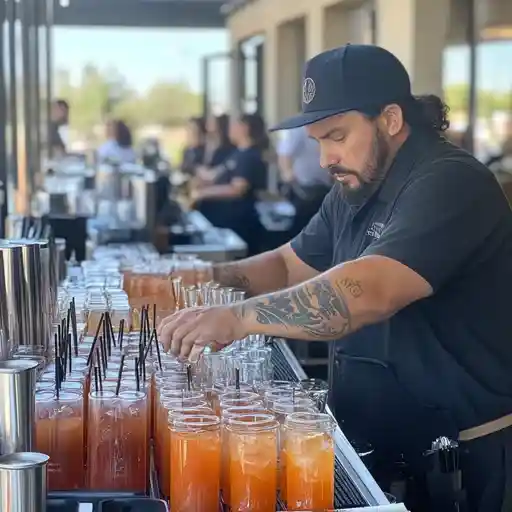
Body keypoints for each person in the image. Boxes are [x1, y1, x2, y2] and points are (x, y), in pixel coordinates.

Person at [158, 45, 512, 511]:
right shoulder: (354, 184)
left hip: (460, 464)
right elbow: (288, 265)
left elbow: (367, 292)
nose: (326, 158)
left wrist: (236, 319)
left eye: (338, 136)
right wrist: (190, 279)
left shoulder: (450, 182)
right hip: (380, 449)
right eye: (318, 141)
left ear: (389, 119)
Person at [192, 113, 267, 255]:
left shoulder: (249, 155)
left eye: (234, 125)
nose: (230, 129)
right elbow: (213, 175)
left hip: (240, 225)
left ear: (244, 128)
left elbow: (238, 189)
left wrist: (203, 193)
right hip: (225, 223)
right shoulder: (236, 154)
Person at [277, 126, 333, 236]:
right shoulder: (297, 129)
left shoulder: (328, 125)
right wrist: (287, 173)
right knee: (302, 228)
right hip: (302, 189)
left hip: (325, 186)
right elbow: (284, 153)